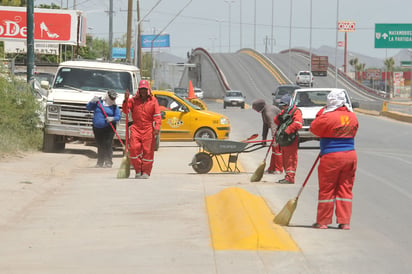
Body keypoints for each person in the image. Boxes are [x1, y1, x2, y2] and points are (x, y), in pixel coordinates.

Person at [309, 89, 359, 230]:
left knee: (327, 189)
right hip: (350, 155)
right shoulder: (353, 116)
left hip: (331, 156)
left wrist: (321, 113)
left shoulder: (327, 116)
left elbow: (314, 129)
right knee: (345, 189)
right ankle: (344, 222)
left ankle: (323, 222)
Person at [123, 80, 161, 179]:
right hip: (136, 127)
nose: (143, 92)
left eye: (145, 89)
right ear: (138, 90)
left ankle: (146, 172)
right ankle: (138, 170)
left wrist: (157, 127)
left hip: (148, 128)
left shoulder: (153, 101)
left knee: (148, 151)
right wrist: (125, 100)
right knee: (134, 149)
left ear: (148, 90)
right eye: (141, 90)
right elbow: (125, 110)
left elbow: (157, 115)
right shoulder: (133, 100)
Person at [86, 90, 121, 168]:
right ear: (107, 96)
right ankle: (100, 162)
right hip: (97, 128)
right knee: (100, 144)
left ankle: (108, 162)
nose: (113, 99)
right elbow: (88, 108)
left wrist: (112, 118)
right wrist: (91, 102)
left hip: (109, 128)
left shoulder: (114, 107)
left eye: (114, 98)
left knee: (108, 144)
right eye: (111, 98)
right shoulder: (98, 103)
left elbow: (118, 116)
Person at [273, 94, 303, 184]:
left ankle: (290, 177)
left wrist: (288, 130)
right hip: (284, 140)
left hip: (291, 139)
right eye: (282, 105)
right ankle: (287, 177)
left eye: (285, 105)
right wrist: (279, 117)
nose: (284, 107)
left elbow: (298, 124)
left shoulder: (296, 111)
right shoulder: (285, 111)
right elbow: (276, 121)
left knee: (291, 159)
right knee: (285, 159)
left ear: (290, 103)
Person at [251, 99, 283, 174]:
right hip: (276, 132)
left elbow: (273, 126)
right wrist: (264, 139)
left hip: (281, 131)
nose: (255, 110)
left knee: (277, 151)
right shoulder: (264, 111)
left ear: (259, 107)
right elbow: (265, 125)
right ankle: (272, 168)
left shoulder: (268, 112)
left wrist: (275, 139)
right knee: (274, 151)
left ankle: (278, 169)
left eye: (255, 108)